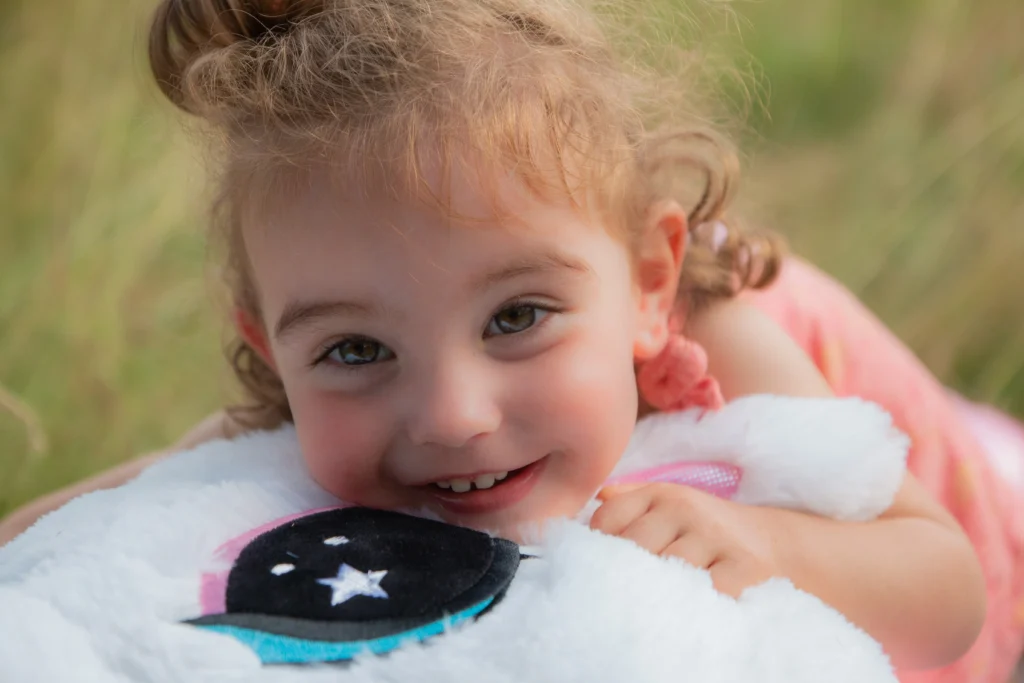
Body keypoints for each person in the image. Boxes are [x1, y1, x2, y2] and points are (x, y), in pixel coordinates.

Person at [5, 1, 1021, 680]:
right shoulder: (298, 401)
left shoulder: (727, 336)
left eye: (516, 318)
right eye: (355, 349)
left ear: (648, 283)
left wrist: (767, 542)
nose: (452, 414)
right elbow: (97, 513)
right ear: (270, 349)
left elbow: (948, 594)